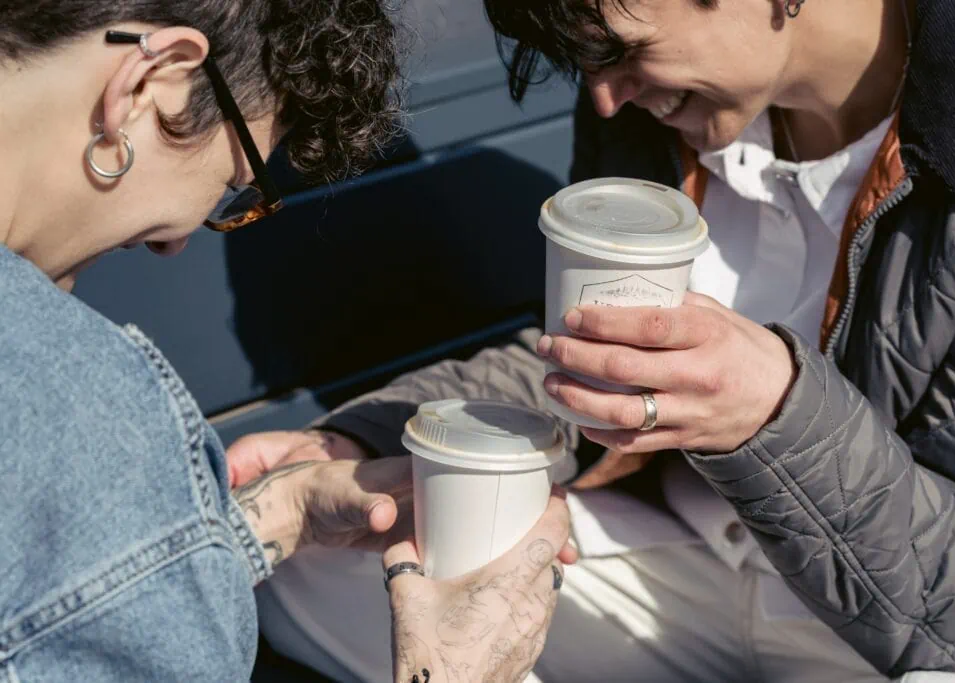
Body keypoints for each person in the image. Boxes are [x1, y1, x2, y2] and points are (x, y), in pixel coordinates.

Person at [232, 0, 955, 680]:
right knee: (316, 557)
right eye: (583, 59)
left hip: (878, 634)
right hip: (677, 562)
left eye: (618, 50)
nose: (604, 96)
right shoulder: (656, 109)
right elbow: (584, 358)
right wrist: (354, 440)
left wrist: (774, 411)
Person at [0, 2, 573, 681]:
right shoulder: (87, 412)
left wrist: (274, 514)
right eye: (231, 188)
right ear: (155, 84)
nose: (174, 241)